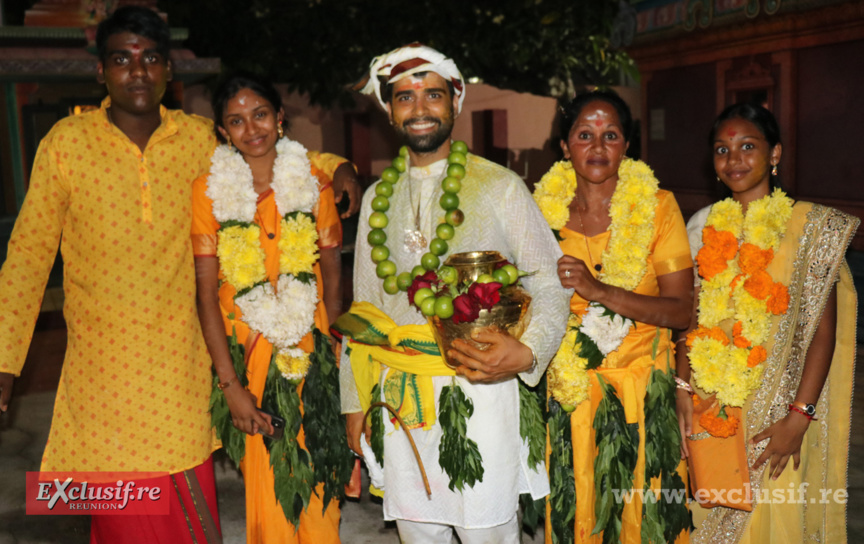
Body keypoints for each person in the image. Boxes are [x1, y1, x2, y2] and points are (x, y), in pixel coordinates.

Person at [0, 7, 223, 542]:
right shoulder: (66, 144)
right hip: (102, 385)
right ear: (101, 71)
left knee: (188, 526)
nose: (138, 71)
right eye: (122, 59)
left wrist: (336, 168)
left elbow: (268, 164)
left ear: (168, 69)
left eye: (150, 58)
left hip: (183, 377)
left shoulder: (201, 141)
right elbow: (28, 255)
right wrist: (4, 360)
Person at [337, 44, 571, 544]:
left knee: (487, 531)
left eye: (433, 94)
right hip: (400, 396)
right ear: (390, 110)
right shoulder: (378, 197)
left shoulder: (500, 186)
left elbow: (549, 282)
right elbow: (364, 313)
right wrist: (353, 402)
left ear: (455, 103)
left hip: (481, 387)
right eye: (405, 97)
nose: (419, 108)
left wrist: (529, 352)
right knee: (418, 533)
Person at [676, 103, 858, 543]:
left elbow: (823, 333)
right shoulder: (706, 225)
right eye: (722, 149)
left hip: (782, 410)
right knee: (706, 515)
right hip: (714, 403)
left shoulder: (811, 228)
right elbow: (692, 317)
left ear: (774, 153)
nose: (733, 159)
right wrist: (682, 388)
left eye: (747, 146)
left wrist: (799, 418)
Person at [192, 72, 353, 544]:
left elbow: (333, 275)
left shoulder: (312, 183)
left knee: (318, 479)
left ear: (279, 118)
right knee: (269, 481)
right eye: (236, 120)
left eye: (260, 114)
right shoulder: (208, 191)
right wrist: (231, 386)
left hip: (312, 349)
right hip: (247, 354)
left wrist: (334, 356)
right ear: (222, 131)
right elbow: (205, 294)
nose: (252, 128)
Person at [533, 90, 693, 543]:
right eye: (584, 135)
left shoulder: (658, 207)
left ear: (627, 145)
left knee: (643, 518)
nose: (598, 147)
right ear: (564, 146)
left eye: (611, 135)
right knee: (578, 515)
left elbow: (681, 311)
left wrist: (600, 291)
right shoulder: (540, 212)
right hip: (568, 393)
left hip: (643, 391)